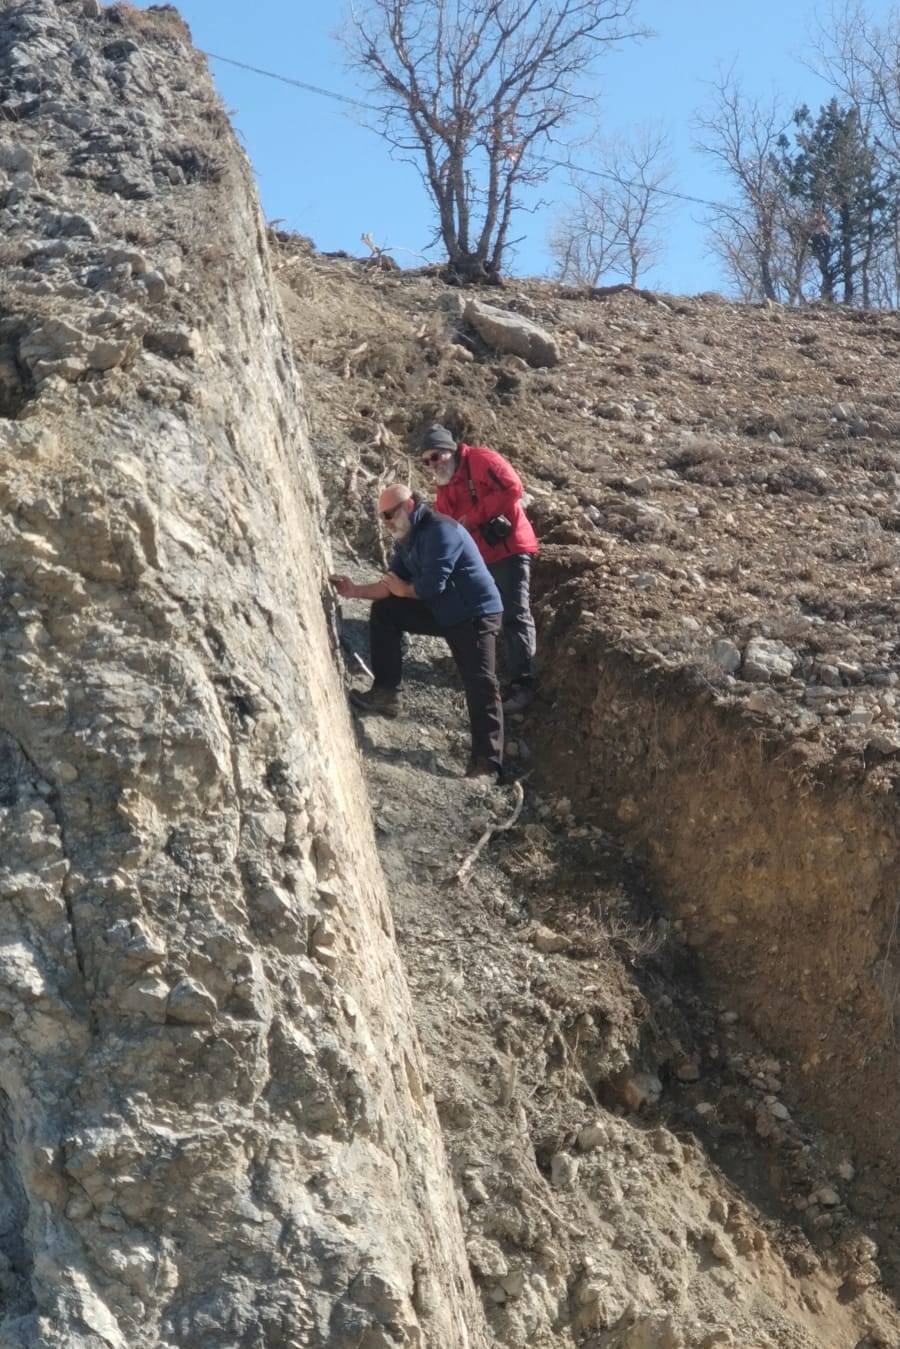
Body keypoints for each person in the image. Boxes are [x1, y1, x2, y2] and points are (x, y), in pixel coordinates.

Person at [331, 484, 504, 782]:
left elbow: (432, 585)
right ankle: (386, 694)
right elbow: (391, 585)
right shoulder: (407, 538)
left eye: (389, 514)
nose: (386, 522)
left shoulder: (441, 531)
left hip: (475, 614)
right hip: (444, 610)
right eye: (382, 517)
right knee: (386, 611)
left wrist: (403, 590)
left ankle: (487, 765)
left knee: (480, 682)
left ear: (409, 506)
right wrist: (354, 590)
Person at [419, 423, 538, 714]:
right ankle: (487, 678)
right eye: (426, 461)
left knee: (514, 614)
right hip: (481, 558)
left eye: (435, 457)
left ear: (450, 450)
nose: (432, 465)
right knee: (483, 615)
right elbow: (448, 529)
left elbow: (512, 488)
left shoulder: (481, 459)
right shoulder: (444, 487)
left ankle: (523, 685)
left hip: (509, 549)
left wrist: (472, 519)